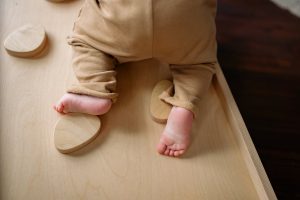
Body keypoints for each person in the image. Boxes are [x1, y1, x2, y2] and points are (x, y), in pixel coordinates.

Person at [54, 0, 217, 157]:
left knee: (88, 43)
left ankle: (94, 87)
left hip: (123, 21)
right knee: (196, 64)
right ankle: (185, 102)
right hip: (182, 21)